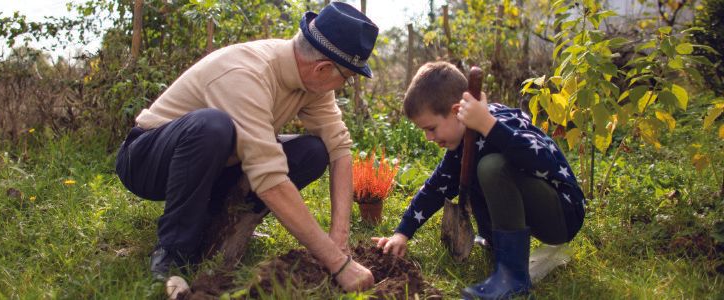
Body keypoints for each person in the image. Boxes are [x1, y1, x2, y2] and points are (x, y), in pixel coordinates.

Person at [114, 2, 378, 292]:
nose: (343, 86)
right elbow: (271, 181)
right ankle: (173, 253)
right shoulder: (245, 73)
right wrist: (337, 264)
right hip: (148, 160)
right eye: (347, 78)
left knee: (313, 152)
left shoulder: (312, 83)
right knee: (212, 126)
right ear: (323, 68)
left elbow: (339, 148)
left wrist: (339, 237)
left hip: (215, 165)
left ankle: (222, 221)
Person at [372, 62, 586, 298]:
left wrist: (487, 125)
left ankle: (513, 277)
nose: (428, 137)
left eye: (431, 128)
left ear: (457, 111)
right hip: (535, 210)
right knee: (479, 169)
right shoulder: (461, 146)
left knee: (491, 167)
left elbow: (541, 160)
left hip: (562, 214)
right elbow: (436, 187)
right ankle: (497, 244)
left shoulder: (502, 121)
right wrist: (402, 233)